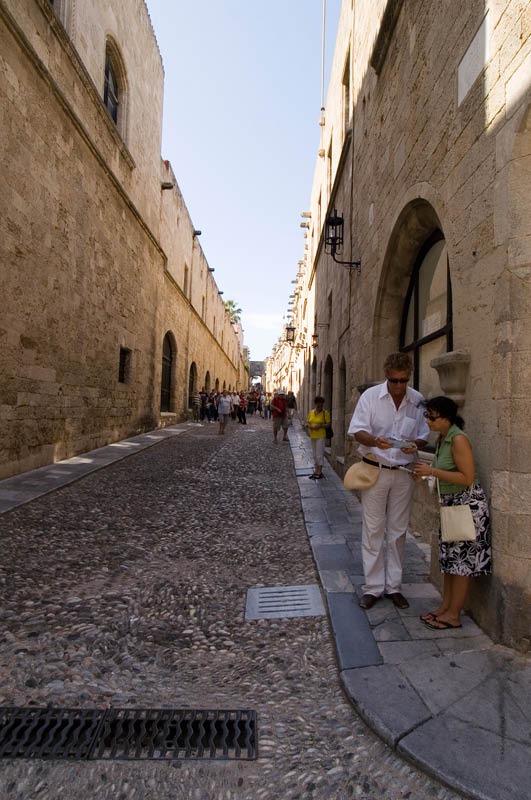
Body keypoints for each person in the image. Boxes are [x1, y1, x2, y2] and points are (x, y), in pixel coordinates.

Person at [347, 352, 429, 610]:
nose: (398, 386)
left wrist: (414, 444)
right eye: (393, 380)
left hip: (403, 472)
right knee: (373, 530)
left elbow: (424, 434)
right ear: (387, 377)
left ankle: (393, 586)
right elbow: (357, 430)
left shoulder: (417, 401)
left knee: (398, 531)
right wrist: (373, 440)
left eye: (403, 381)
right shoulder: (370, 397)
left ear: (408, 377)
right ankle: (372, 588)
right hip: (376, 469)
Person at [414, 396, 492, 630]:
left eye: (432, 417)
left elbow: (467, 478)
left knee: (461, 564)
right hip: (451, 504)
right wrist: (427, 473)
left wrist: (433, 471)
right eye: (426, 416)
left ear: (446, 418)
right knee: (449, 562)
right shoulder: (443, 438)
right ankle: (445, 608)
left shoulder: (458, 439)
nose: (427, 421)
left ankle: (453, 615)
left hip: (466, 506)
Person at [306, 396, 330, 480]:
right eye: (318, 404)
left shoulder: (325, 413)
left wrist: (320, 425)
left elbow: (328, 424)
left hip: (321, 436)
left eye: (321, 404)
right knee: (315, 454)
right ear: (315, 404)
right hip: (313, 436)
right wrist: (310, 426)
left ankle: (319, 471)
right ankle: (316, 470)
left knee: (319, 454)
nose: (320, 406)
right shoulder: (311, 412)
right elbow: (308, 422)